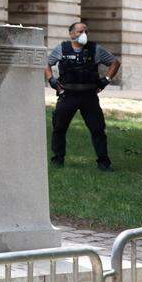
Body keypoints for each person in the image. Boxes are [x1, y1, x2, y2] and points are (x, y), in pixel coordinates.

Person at [46, 21, 120, 171]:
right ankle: (58, 160)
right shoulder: (62, 48)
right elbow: (46, 63)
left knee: (98, 129)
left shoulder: (95, 49)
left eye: (86, 31)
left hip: (89, 96)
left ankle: (104, 163)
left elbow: (114, 62)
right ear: (72, 34)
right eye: (80, 31)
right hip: (68, 95)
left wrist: (106, 80)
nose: (84, 34)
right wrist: (51, 80)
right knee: (59, 128)